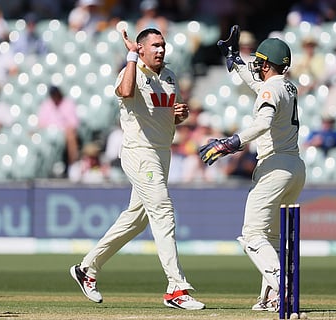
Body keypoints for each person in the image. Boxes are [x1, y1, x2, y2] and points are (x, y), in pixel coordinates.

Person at [69, 28, 205, 310]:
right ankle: (176, 289)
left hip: (161, 153)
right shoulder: (131, 72)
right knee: (163, 210)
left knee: (137, 219)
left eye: (163, 45)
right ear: (141, 49)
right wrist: (131, 57)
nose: (161, 50)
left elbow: (167, 118)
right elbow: (126, 92)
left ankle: (86, 269)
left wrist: (180, 115)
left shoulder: (169, 76)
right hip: (138, 152)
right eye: (154, 45)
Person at [199, 27, 306, 312]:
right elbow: (258, 86)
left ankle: (282, 282)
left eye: (260, 62)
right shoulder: (287, 86)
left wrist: (230, 143)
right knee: (271, 236)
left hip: (275, 167)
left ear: (269, 65)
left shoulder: (272, 88)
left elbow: (262, 124)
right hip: (295, 167)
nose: (256, 66)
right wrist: (235, 59)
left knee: (252, 235)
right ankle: (271, 297)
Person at [37, 85, 80, 168]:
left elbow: (73, 124)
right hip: (48, 132)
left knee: (71, 135)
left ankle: (73, 165)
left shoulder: (68, 103)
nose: (54, 96)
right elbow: (41, 123)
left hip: (63, 132)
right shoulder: (47, 104)